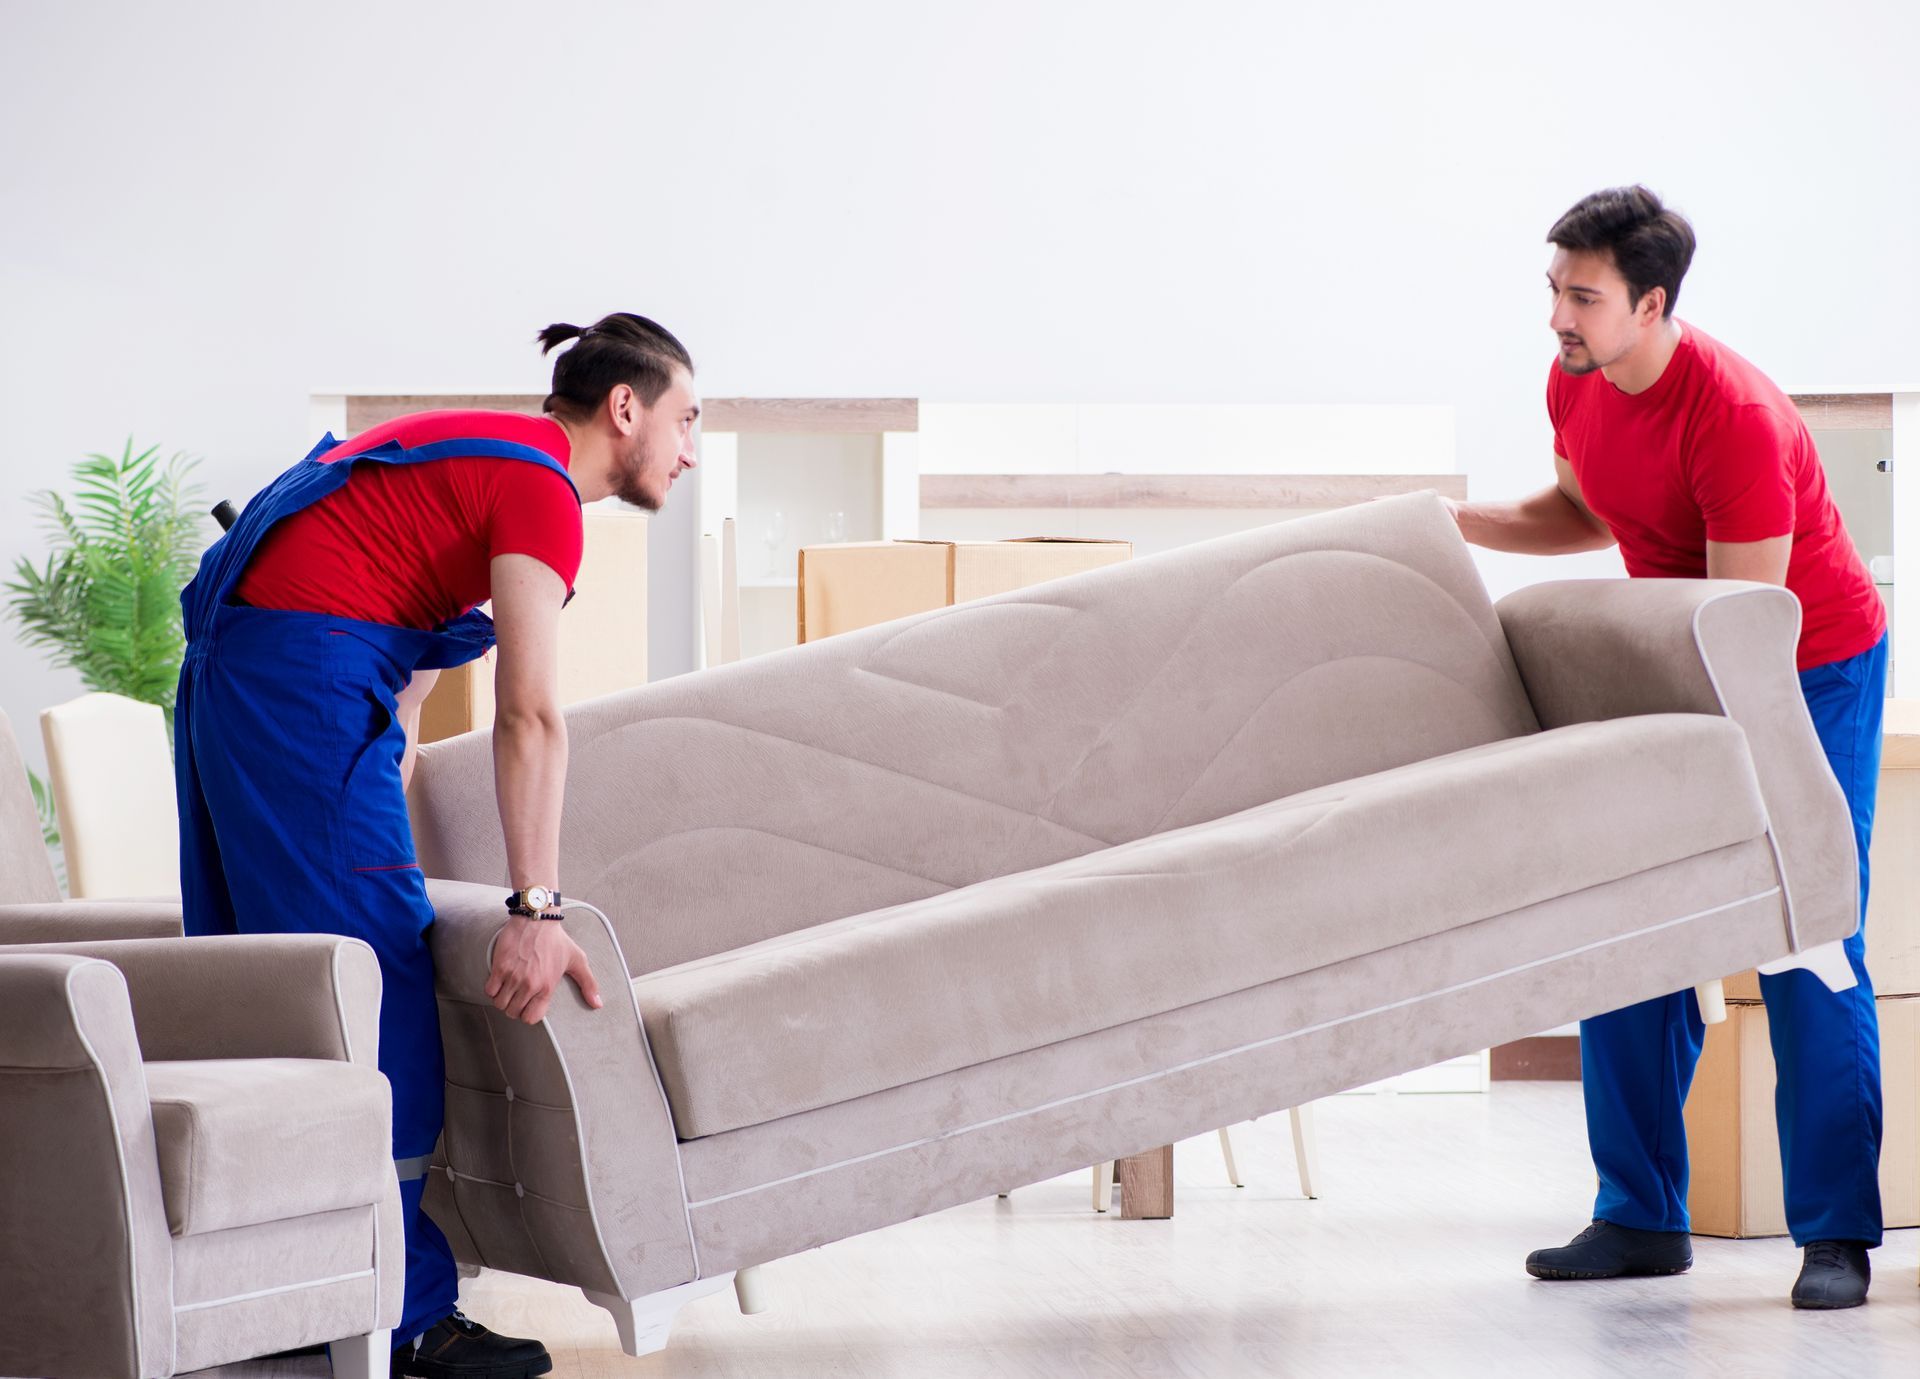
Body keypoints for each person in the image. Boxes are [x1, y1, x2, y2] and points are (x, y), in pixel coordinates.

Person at [174, 313, 700, 1375]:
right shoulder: (544, 490)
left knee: (271, 986)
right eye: (687, 419)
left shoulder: (478, 459)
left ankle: (283, 1295)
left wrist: (381, 814)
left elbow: (406, 683)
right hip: (302, 680)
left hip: (248, 676)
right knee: (374, 987)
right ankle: (403, 1321)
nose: (692, 448)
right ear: (626, 407)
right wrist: (535, 909)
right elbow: (531, 714)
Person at [1446, 187, 1887, 1309]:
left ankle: (1835, 1233)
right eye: (1554, 288)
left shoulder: (1731, 412)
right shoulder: (1579, 376)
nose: (1559, 314)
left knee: (1805, 934)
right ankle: (1639, 1213)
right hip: (1680, 655)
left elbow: (1748, 624)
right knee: (1628, 923)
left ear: (1651, 303)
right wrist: (1456, 521)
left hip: (1805, 662)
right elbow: (1585, 511)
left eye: (1583, 296)